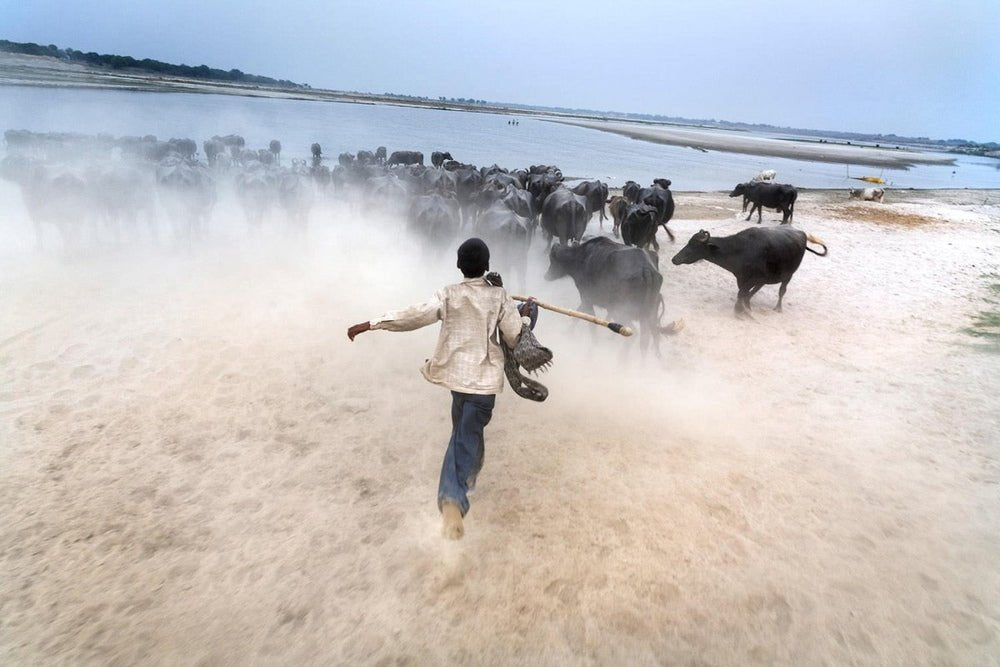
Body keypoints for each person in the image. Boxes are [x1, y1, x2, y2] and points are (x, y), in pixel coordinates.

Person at [347, 238, 536, 540]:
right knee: (465, 436)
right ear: (487, 266)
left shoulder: (448, 294)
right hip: (482, 385)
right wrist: (525, 313)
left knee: (464, 433)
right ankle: (452, 499)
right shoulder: (500, 297)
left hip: (456, 381)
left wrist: (372, 323)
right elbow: (514, 339)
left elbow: (414, 315)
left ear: (459, 266)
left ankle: (466, 481)